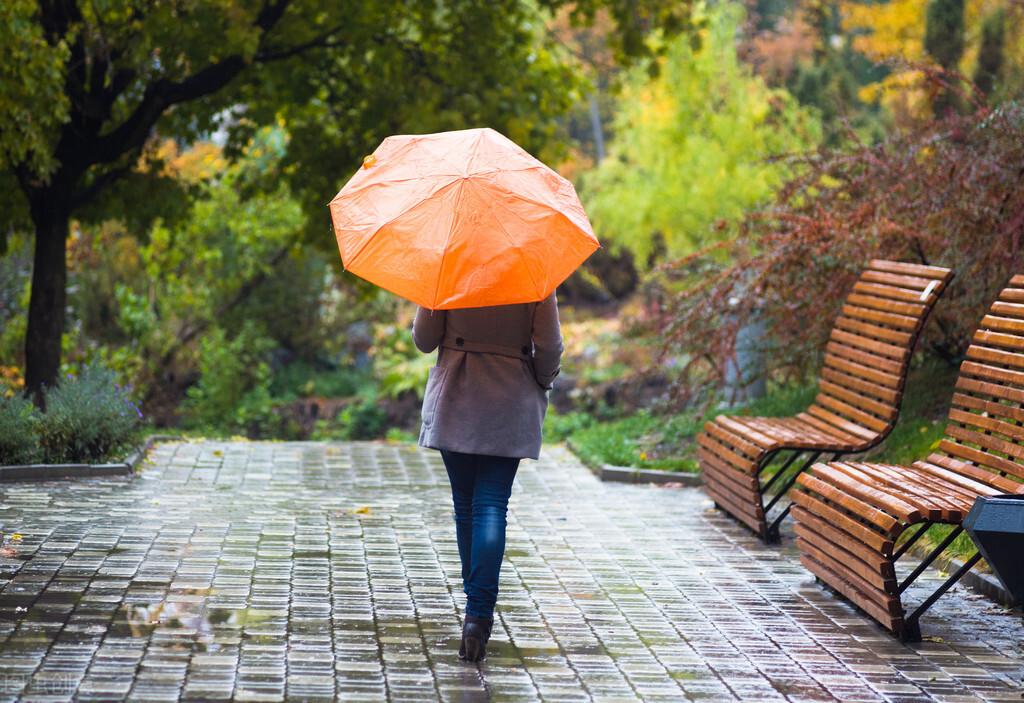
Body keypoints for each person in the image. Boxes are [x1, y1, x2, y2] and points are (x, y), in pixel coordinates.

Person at [412, 291, 563, 662]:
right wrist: (540, 382)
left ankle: (474, 608)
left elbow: (424, 339)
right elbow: (549, 347)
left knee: (466, 507)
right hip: (510, 397)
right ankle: (478, 613)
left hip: (456, 395)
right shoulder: (533, 267)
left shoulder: (448, 262)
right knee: (492, 505)